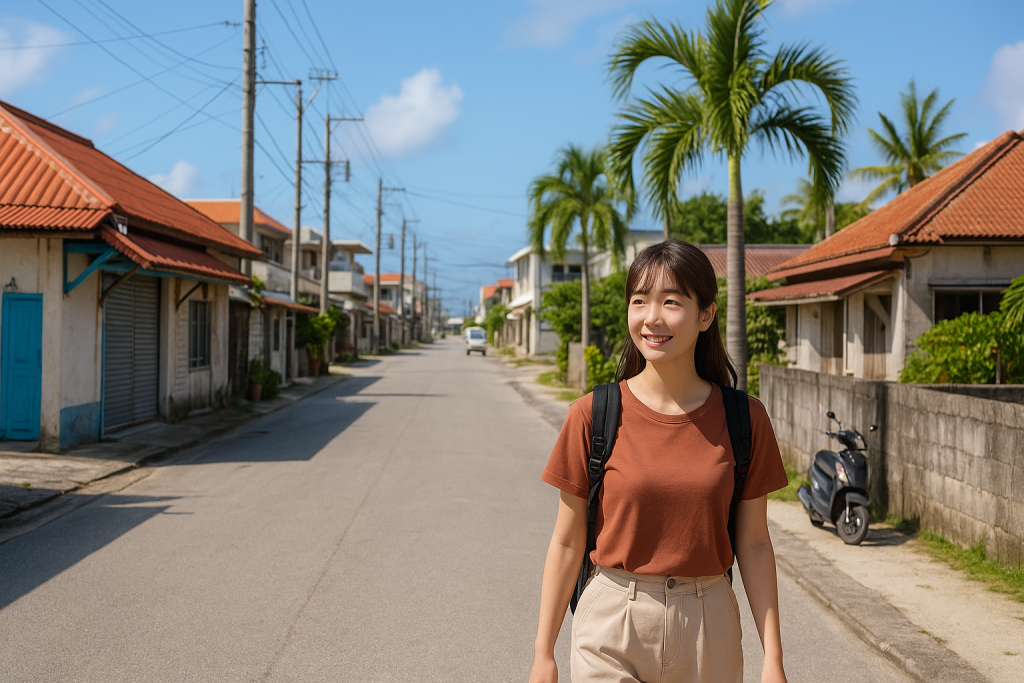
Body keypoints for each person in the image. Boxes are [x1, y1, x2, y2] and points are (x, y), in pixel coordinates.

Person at [529, 240, 790, 683]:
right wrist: (543, 654)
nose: (652, 317)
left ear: (706, 315)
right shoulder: (593, 415)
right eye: (639, 301)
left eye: (671, 301)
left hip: (709, 625)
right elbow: (568, 542)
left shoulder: (745, 418)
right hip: (612, 621)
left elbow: (754, 544)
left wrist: (774, 659)